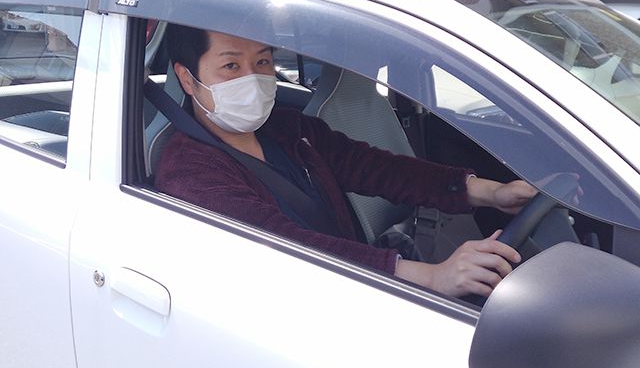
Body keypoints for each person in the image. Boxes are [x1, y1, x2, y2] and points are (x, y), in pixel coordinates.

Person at [155, 24, 538, 298]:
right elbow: (286, 246)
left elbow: (376, 168)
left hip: (355, 282)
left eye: (263, 62)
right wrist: (432, 277)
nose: (253, 79)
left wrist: (489, 192)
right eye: (231, 67)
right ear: (187, 79)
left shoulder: (287, 129)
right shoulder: (189, 171)